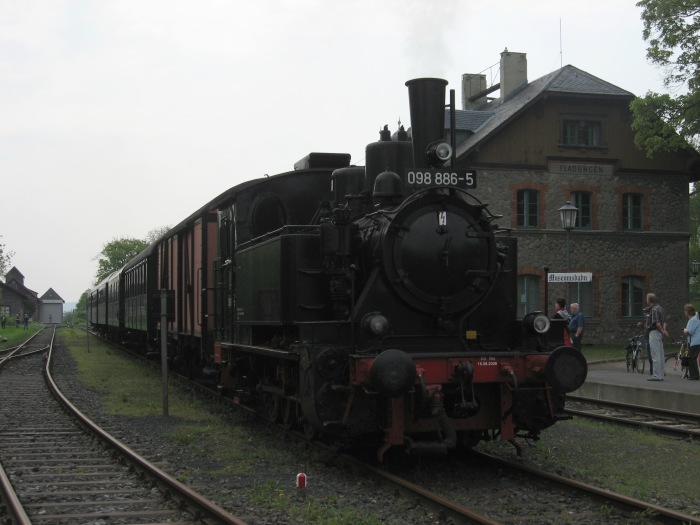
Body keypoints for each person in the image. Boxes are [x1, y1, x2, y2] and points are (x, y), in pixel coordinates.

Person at [645, 293, 668, 381]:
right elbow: (664, 322)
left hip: (654, 332)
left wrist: (662, 332)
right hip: (659, 333)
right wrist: (664, 331)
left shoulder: (654, 310)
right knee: (661, 355)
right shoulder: (660, 308)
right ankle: (661, 374)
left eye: (647, 299)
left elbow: (657, 324)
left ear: (649, 301)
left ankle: (656, 375)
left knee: (655, 355)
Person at [683, 303, 700, 380]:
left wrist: (685, 330)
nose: (685, 312)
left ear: (688, 311)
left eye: (685, 311)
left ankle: (695, 375)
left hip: (695, 341)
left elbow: (691, 331)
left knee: (692, 358)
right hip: (692, 341)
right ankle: (693, 374)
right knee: (691, 357)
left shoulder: (693, 320)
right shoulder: (692, 319)